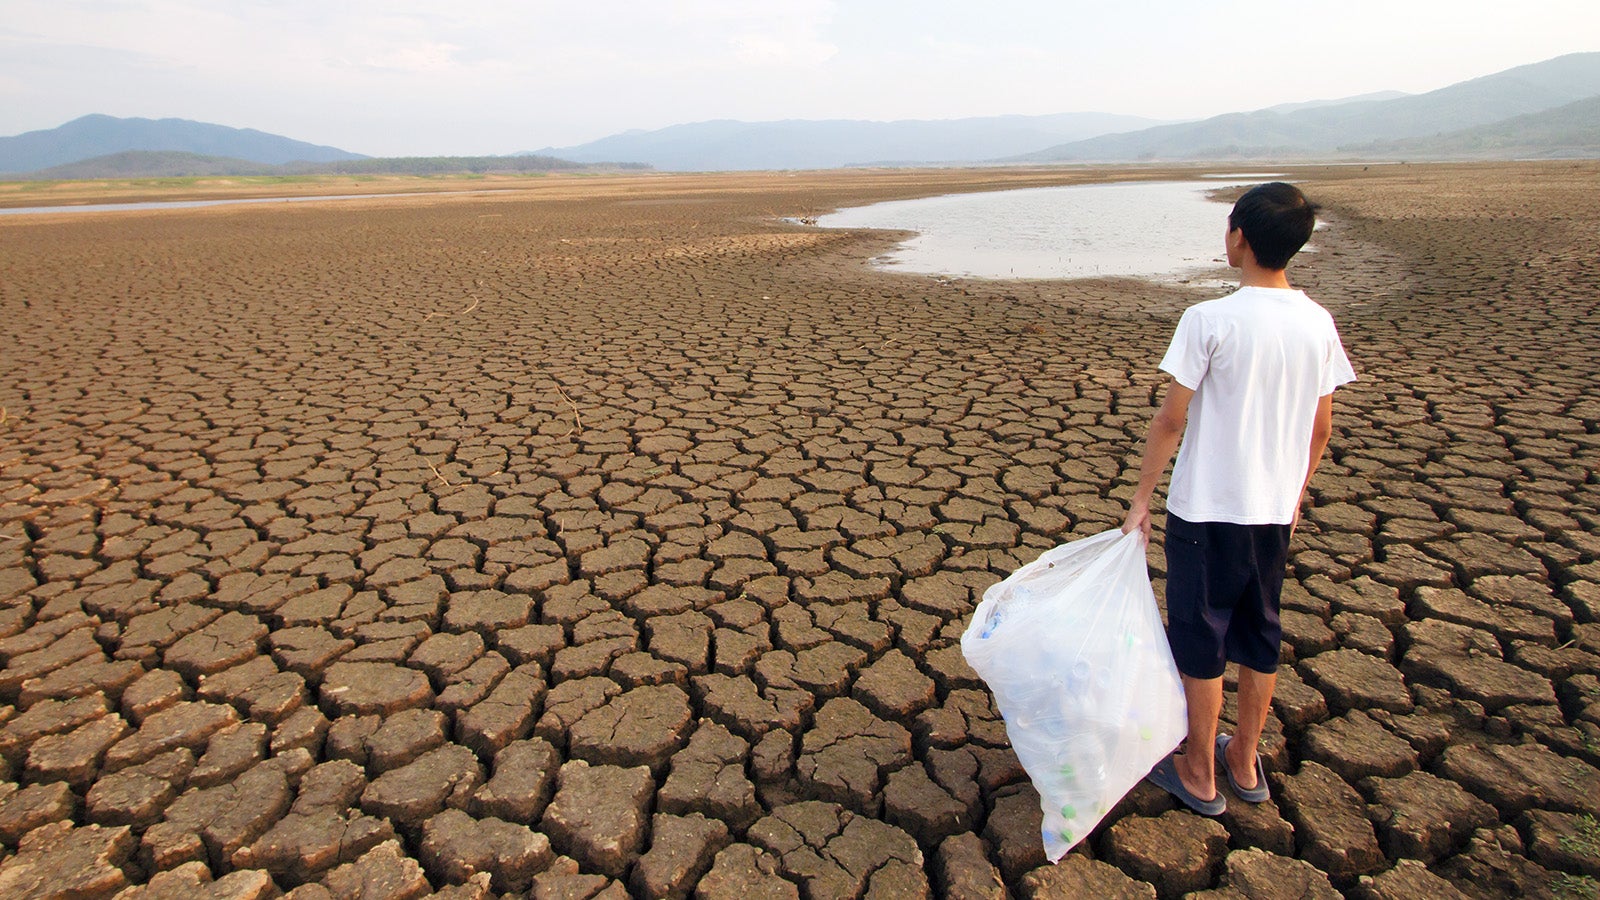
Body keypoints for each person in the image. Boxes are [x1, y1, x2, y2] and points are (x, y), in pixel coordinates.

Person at [1122, 182, 1356, 815]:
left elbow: (1171, 419)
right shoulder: (1317, 321)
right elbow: (1321, 426)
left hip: (1205, 510)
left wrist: (1142, 498)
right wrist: (1297, 493)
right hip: (1272, 513)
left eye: (1229, 228)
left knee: (1201, 639)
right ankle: (1246, 760)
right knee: (1259, 632)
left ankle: (1198, 770)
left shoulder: (1210, 319)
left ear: (1240, 238)